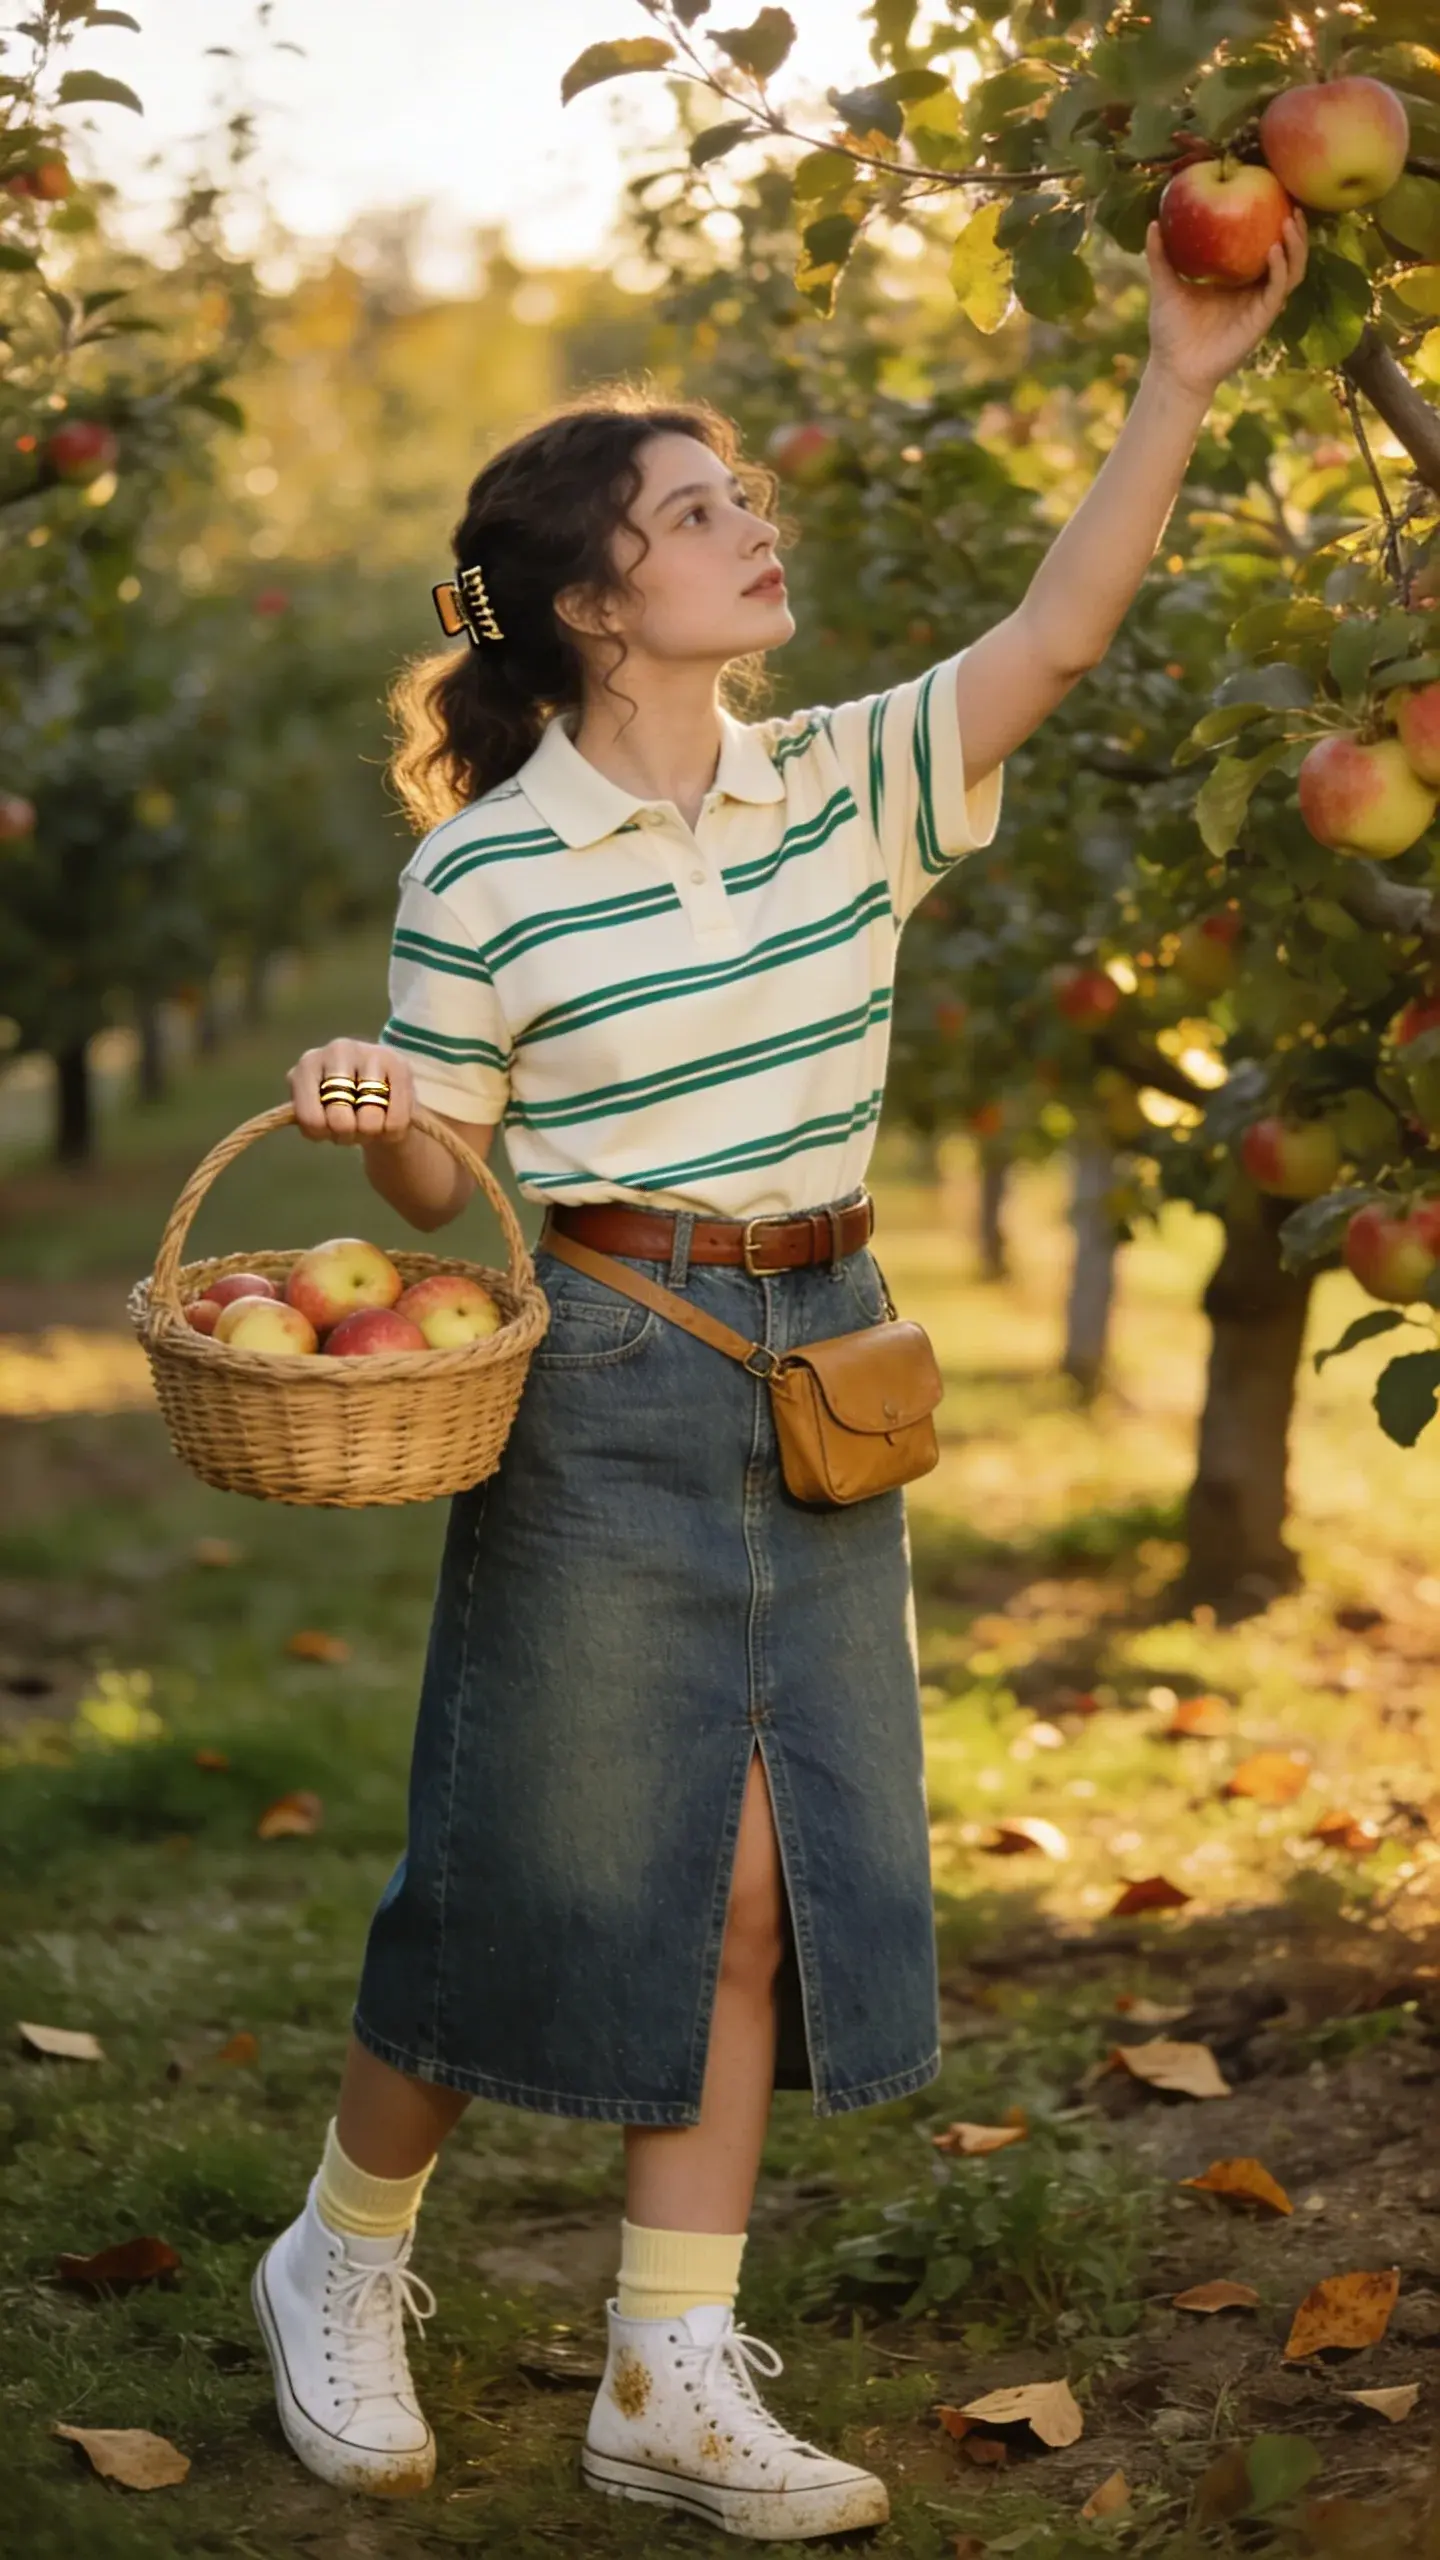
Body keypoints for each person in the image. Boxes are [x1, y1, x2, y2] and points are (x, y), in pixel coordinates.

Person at [253, 208, 1307, 2540]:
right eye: (699, 513)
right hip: (606, 1364)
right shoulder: (490, 877)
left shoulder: (848, 782)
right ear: (600, 605)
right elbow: (449, 1192)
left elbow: (1059, 625)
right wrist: (384, 1104)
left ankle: (670, 2364)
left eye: (742, 496)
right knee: (533, 1859)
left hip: (826, 1358)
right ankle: (343, 2242)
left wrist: (1181, 375)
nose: (756, 530)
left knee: (753, 1883)